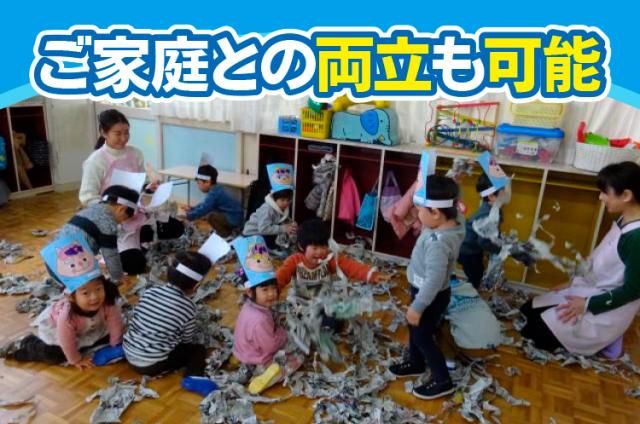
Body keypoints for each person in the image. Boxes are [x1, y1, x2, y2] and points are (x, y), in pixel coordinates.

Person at [520, 161, 640, 357]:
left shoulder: (636, 237)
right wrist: (573, 283)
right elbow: (603, 261)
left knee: (532, 333)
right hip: (593, 287)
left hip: (608, 305)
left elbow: (633, 291)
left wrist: (587, 304)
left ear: (626, 195)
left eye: (605, 192)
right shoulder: (624, 218)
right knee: (527, 310)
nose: (601, 197)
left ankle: (610, 340)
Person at [389, 151, 465, 400]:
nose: (416, 215)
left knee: (422, 336)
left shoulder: (437, 244)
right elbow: (456, 205)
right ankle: (415, 362)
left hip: (429, 295)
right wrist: (455, 182)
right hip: (428, 292)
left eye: (420, 210)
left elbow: (433, 280)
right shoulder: (454, 221)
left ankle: (442, 380)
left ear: (435, 213)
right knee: (415, 329)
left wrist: (418, 306)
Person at [0, 236, 124, 369]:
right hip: (61, 333)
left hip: (90, 331)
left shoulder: (107, 301)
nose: (94, 297)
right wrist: (76, 360)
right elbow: (66, 340)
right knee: (54, 354)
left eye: (98, 289)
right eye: (85, 293)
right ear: (72, 297)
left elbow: (115, 322)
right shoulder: (67, 315)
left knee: (114, 336)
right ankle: (25, 344)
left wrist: (115, 346)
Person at [123, 251, 218, 396]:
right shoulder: (188, 307)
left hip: (129, 352)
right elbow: (186, 339)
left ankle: (120, 350)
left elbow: (138, 318)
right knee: (197, 350)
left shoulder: (150, 292)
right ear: (196, 286)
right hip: (152, 365)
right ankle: (194, 377)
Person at [232, 236, 299, 395]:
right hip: (259, 357)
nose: (271, 294)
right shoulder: (260, 319)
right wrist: (283, 333)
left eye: (273, 288)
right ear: (250, 292)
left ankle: (243, 364)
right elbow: (271, 346)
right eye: (265, 290)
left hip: (243, 350)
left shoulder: (248, 306)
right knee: (298, 356)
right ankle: (269, 376)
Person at [57, 185, 139, 284]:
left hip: (55, 263)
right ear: (121, 209)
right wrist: (118, 276)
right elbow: (111, 255)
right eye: (124, 218)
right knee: (102, 286)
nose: (121, 223)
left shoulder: (89, 210)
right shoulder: (108, 223)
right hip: (71, 273)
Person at [243, 163, 297, 254]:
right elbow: (263, 229)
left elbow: (282, 220)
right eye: (282, 200)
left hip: (264, 234)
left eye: (288, 200)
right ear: (275, 199)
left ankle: (272, 247)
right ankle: (270, 248)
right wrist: (283, 228)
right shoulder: (267, 209)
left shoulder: (282, 207)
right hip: (252, 235)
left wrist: (291, 224)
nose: (286, 203)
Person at [185, 162, 243, 238]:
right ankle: (227, 230)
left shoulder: (214, 194)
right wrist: (193, 209)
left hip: (233, 219)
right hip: (235, 216)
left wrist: (188, 216)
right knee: (209, 211)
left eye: (198, 183)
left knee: (210, 216)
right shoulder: (216, 189)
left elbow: (204, 209)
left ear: (207, 182)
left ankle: (226, 235)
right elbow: (204, 204)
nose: (198, 186)